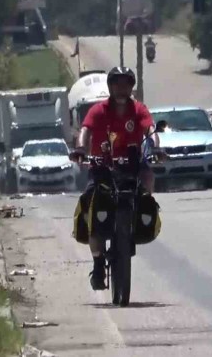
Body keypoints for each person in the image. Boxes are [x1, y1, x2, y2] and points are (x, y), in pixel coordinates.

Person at [70, 66, 160, 290]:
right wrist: (81, 149)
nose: (122, 89)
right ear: (110, 87)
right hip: (103, 166)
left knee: (148, 175)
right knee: (92, 201)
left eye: (126, 84)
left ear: (132, 87)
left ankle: (141, 213)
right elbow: (85, 129)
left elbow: (150, 130)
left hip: (132, 165)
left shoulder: (139, 109)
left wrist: (156, 147)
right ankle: (98, 263)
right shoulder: (98, 110)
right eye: (117, 84)